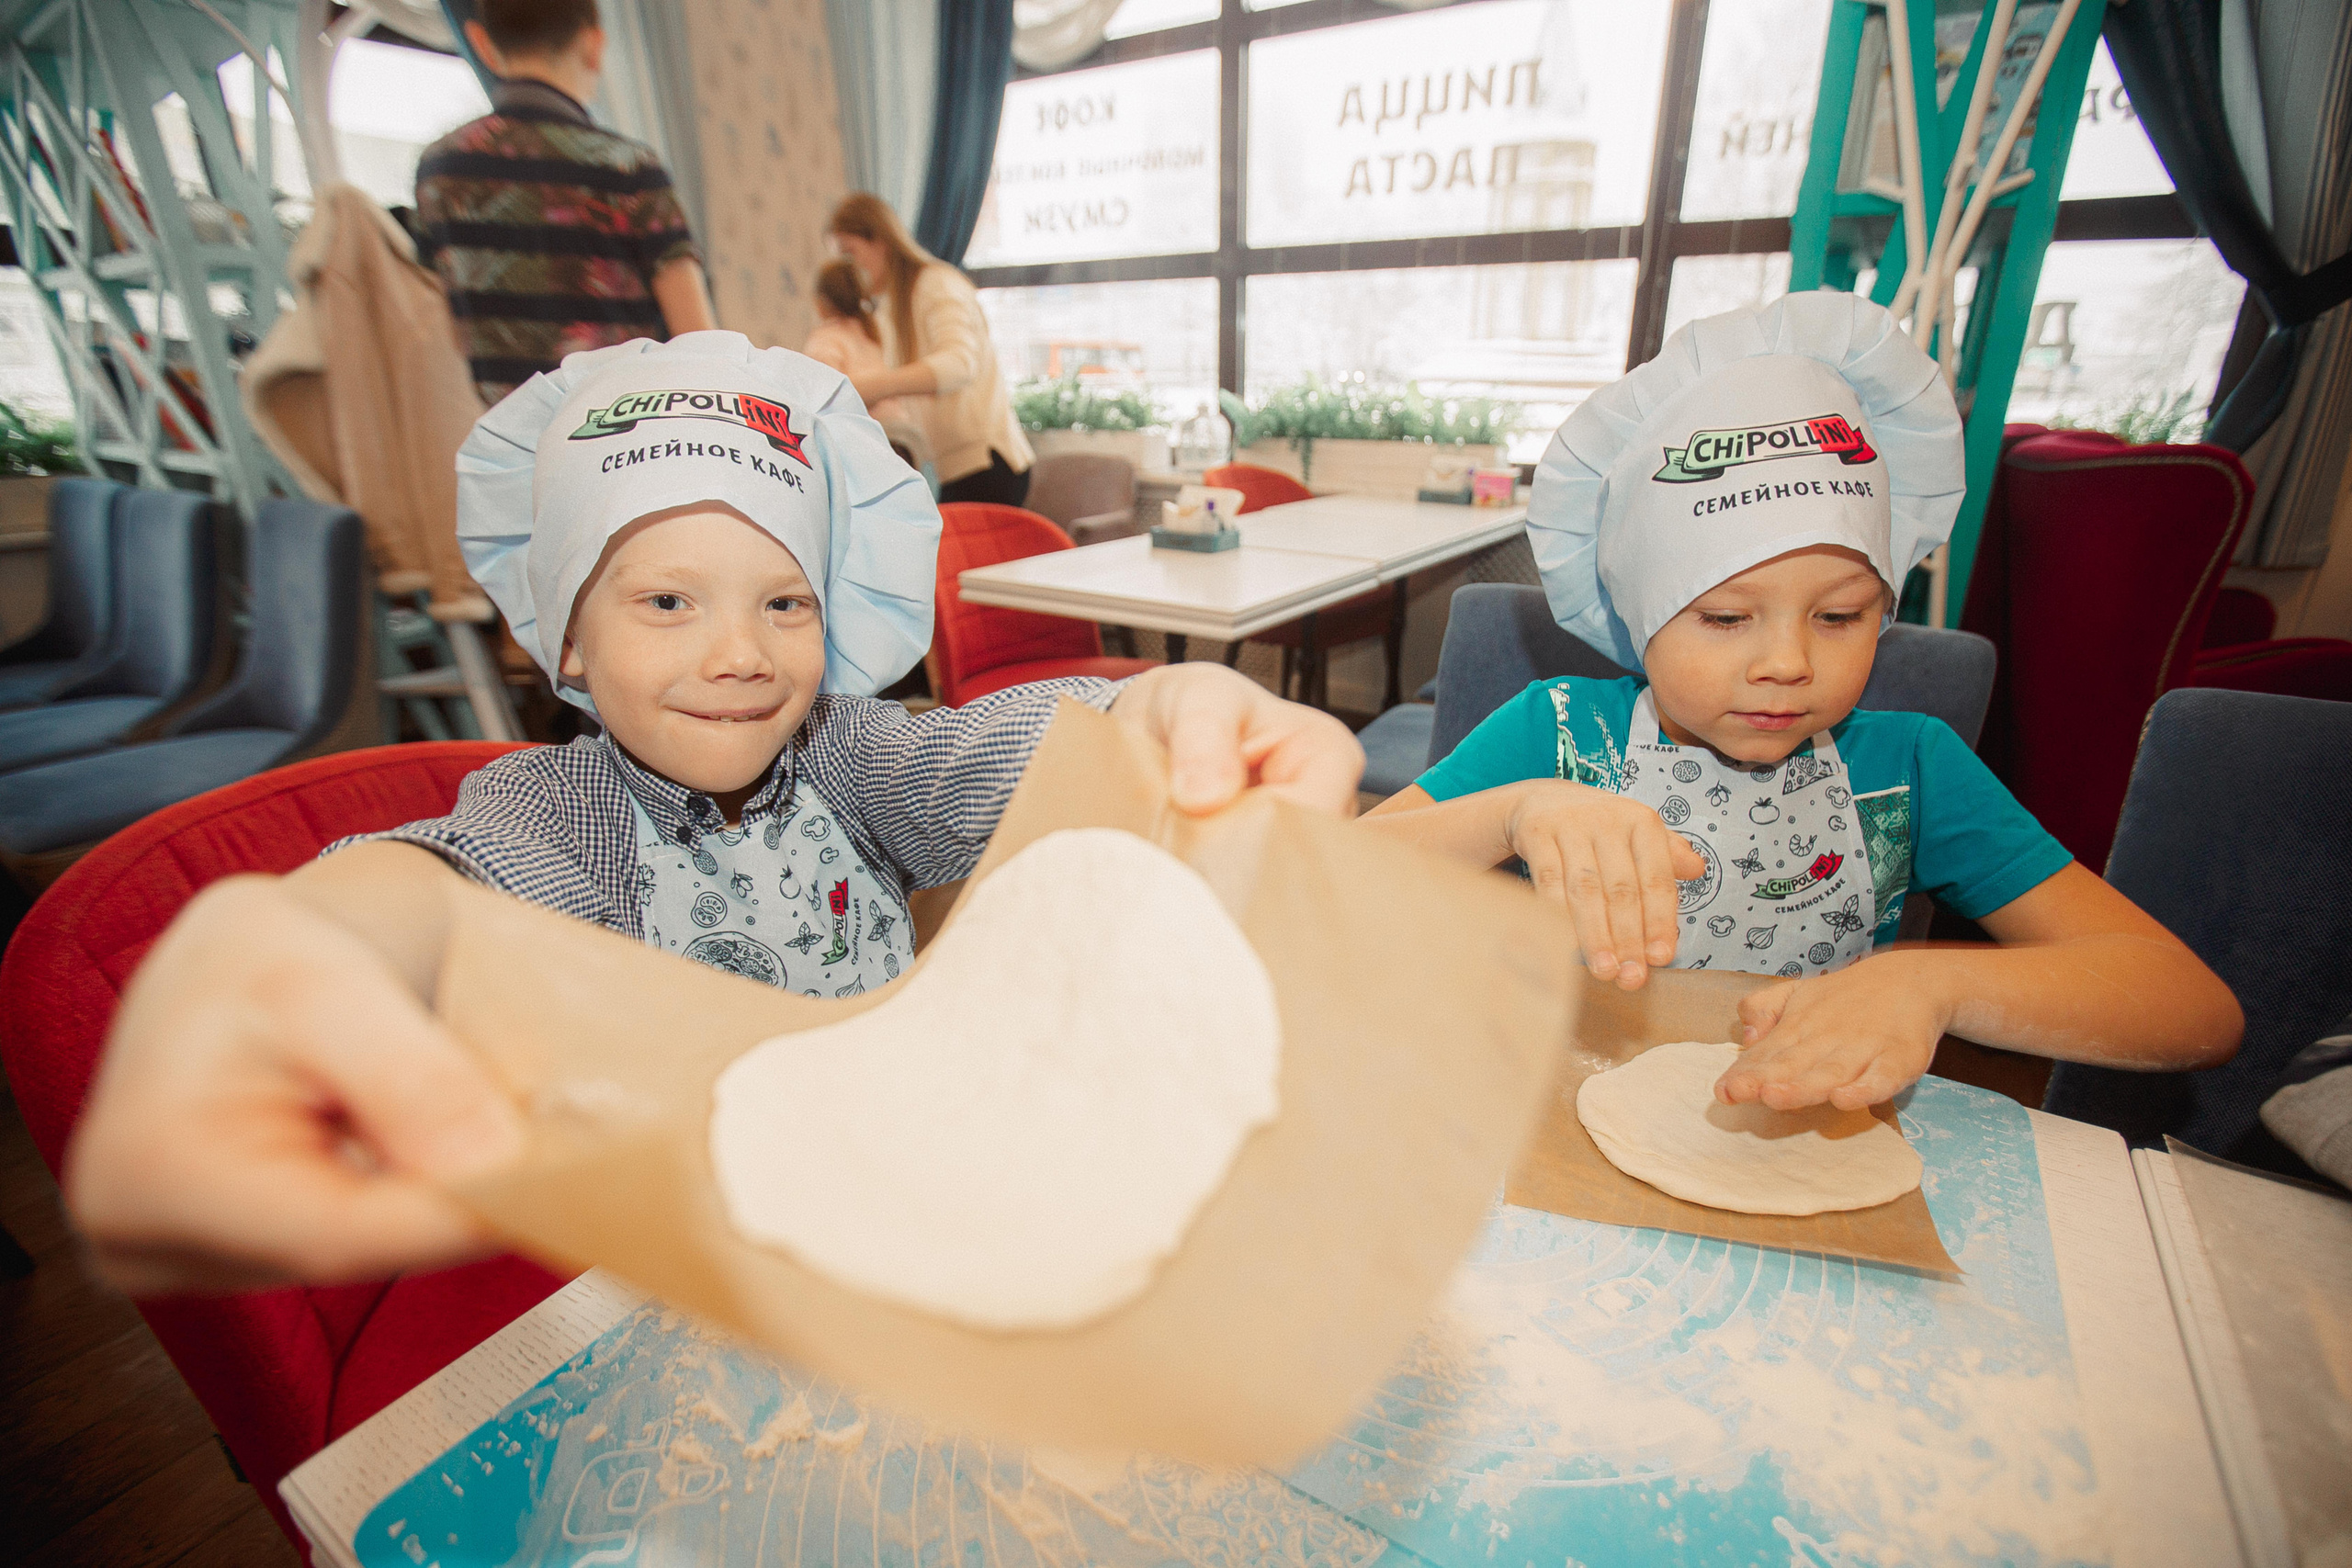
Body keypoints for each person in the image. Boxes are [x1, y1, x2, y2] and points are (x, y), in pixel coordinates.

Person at [65, 332, 1361, 1294]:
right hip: (685, 1272)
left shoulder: (848, 758)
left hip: (902, 1210)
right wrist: (298, 941)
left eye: (784, 603)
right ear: (564, 642)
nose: (740, 651)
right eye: (668, 602)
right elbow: (440, 891)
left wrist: (1153, 712)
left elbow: (991, 755)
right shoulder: (559, 811)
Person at [1364, 293, 2240, 1114]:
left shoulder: (1911, 769)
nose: (1786, 661)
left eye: (1839, 615)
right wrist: (1514, 813)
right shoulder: (1554, 732)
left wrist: (1930, 984)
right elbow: (1321, 880)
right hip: (1536, 1118)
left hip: (1789, 1136)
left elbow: (2192, 1010)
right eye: (1726, 615)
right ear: (1640, 615)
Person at [416, 0, 718, 406]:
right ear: (594, 45)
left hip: (511, 445)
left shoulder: (439, 170)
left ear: (481, 43)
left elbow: (449, 328)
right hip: (629, 440)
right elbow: (702, 346)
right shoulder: (627, 168)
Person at [823, 193, 1035, 507]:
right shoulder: (892, 308)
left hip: (988, 464)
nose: (851, 268)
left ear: (880, 241)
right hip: (959, 468)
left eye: (851, 252)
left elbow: (959, 365)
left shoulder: (936, 284)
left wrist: (873, 388)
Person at [801, 257, 928, 470]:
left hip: (867, 438)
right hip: (905, 436)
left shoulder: (825, 339)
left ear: (822, 301)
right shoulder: (872, 335)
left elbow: (823, 394)